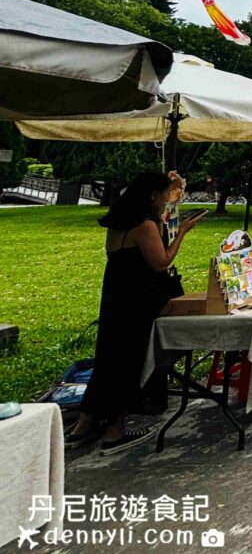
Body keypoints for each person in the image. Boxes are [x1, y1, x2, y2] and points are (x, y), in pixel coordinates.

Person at [67, 172, 206, 454]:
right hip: (137, 299)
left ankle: (85, 423)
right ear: (152, 196)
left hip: (115, 295)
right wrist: (181, 234)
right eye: (165, 193)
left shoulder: (119, 221)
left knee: (107, 357)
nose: (168, 199)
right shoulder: (143, 225)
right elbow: (160, 263)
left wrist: (177, 186)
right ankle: (115, 430)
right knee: (127, 361)